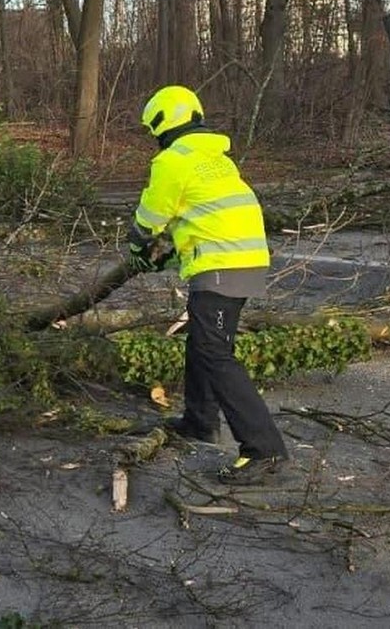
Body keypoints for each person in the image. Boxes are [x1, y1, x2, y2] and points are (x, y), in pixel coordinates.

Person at [127, 87, 289, 485]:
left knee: (214, 351)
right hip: (242, 258)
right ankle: (200, 420)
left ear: (163, 124)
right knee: (203, 340)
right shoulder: (216, 159)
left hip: (222, 264)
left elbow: (151, 217)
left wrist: (138, 245)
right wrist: (170, 251)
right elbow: (201, 216)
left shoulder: (172, 160)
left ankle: (264, 449)